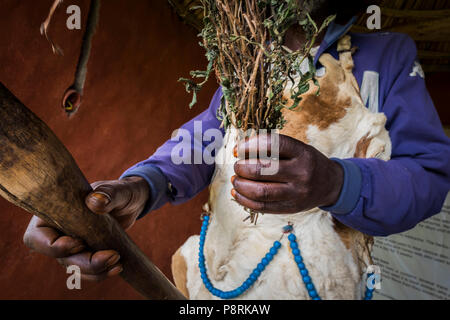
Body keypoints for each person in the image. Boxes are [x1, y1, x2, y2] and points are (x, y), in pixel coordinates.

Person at [23, 1, 450, 283]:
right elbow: (207, 135)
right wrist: (142, 186)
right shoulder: (248, 60)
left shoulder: (389, 56)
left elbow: (428, 174)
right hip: (227, 279)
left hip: (327, 282)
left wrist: (337, 183)